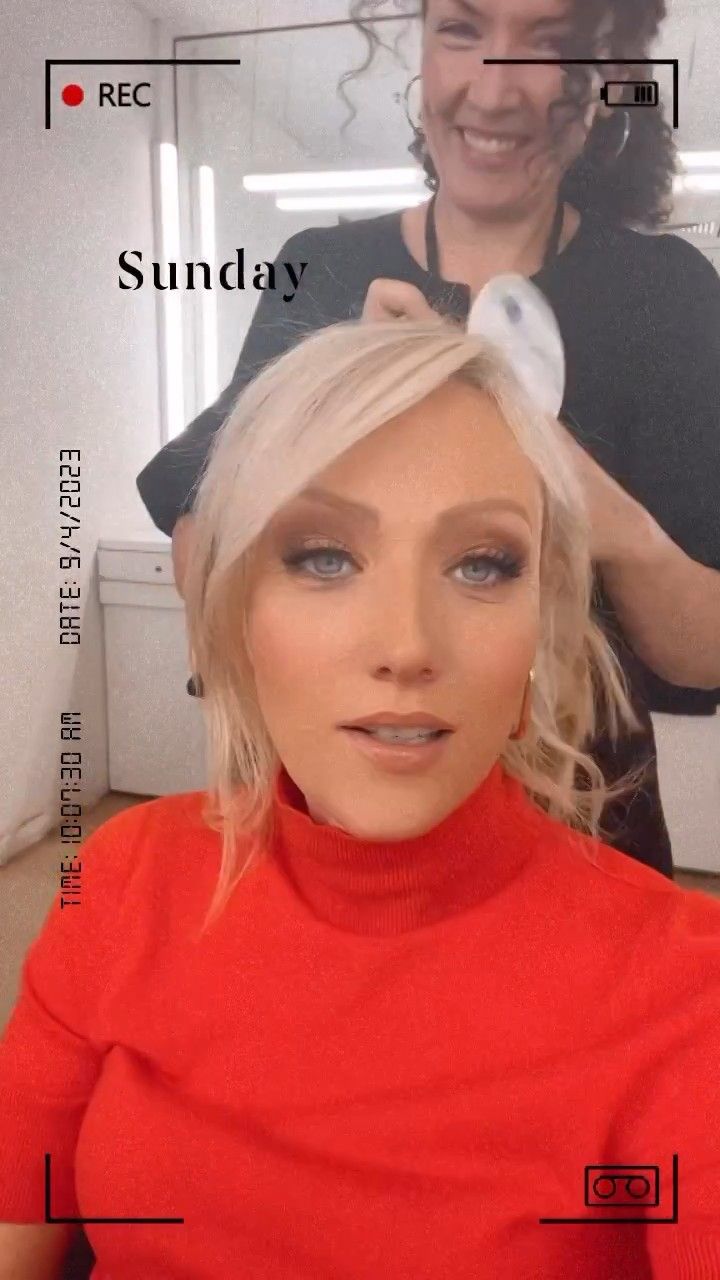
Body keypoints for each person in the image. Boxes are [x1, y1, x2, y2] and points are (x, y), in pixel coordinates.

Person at [2, 318, 719, 1277]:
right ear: (237, 610)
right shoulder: (122, 881)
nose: (406, 645)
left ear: (539, 633)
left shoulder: (685, 990)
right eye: (323, 557)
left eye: (482, 564)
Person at [136, 0, 720, 879]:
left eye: (549, 44)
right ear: (422, 49)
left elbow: (704, 651)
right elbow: (203, 547)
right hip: (335, 844)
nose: (493, 90)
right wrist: (338, 397)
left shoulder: (663, 294)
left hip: (588, 846)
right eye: (461, 30)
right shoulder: (321, 271)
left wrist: (580, 495)